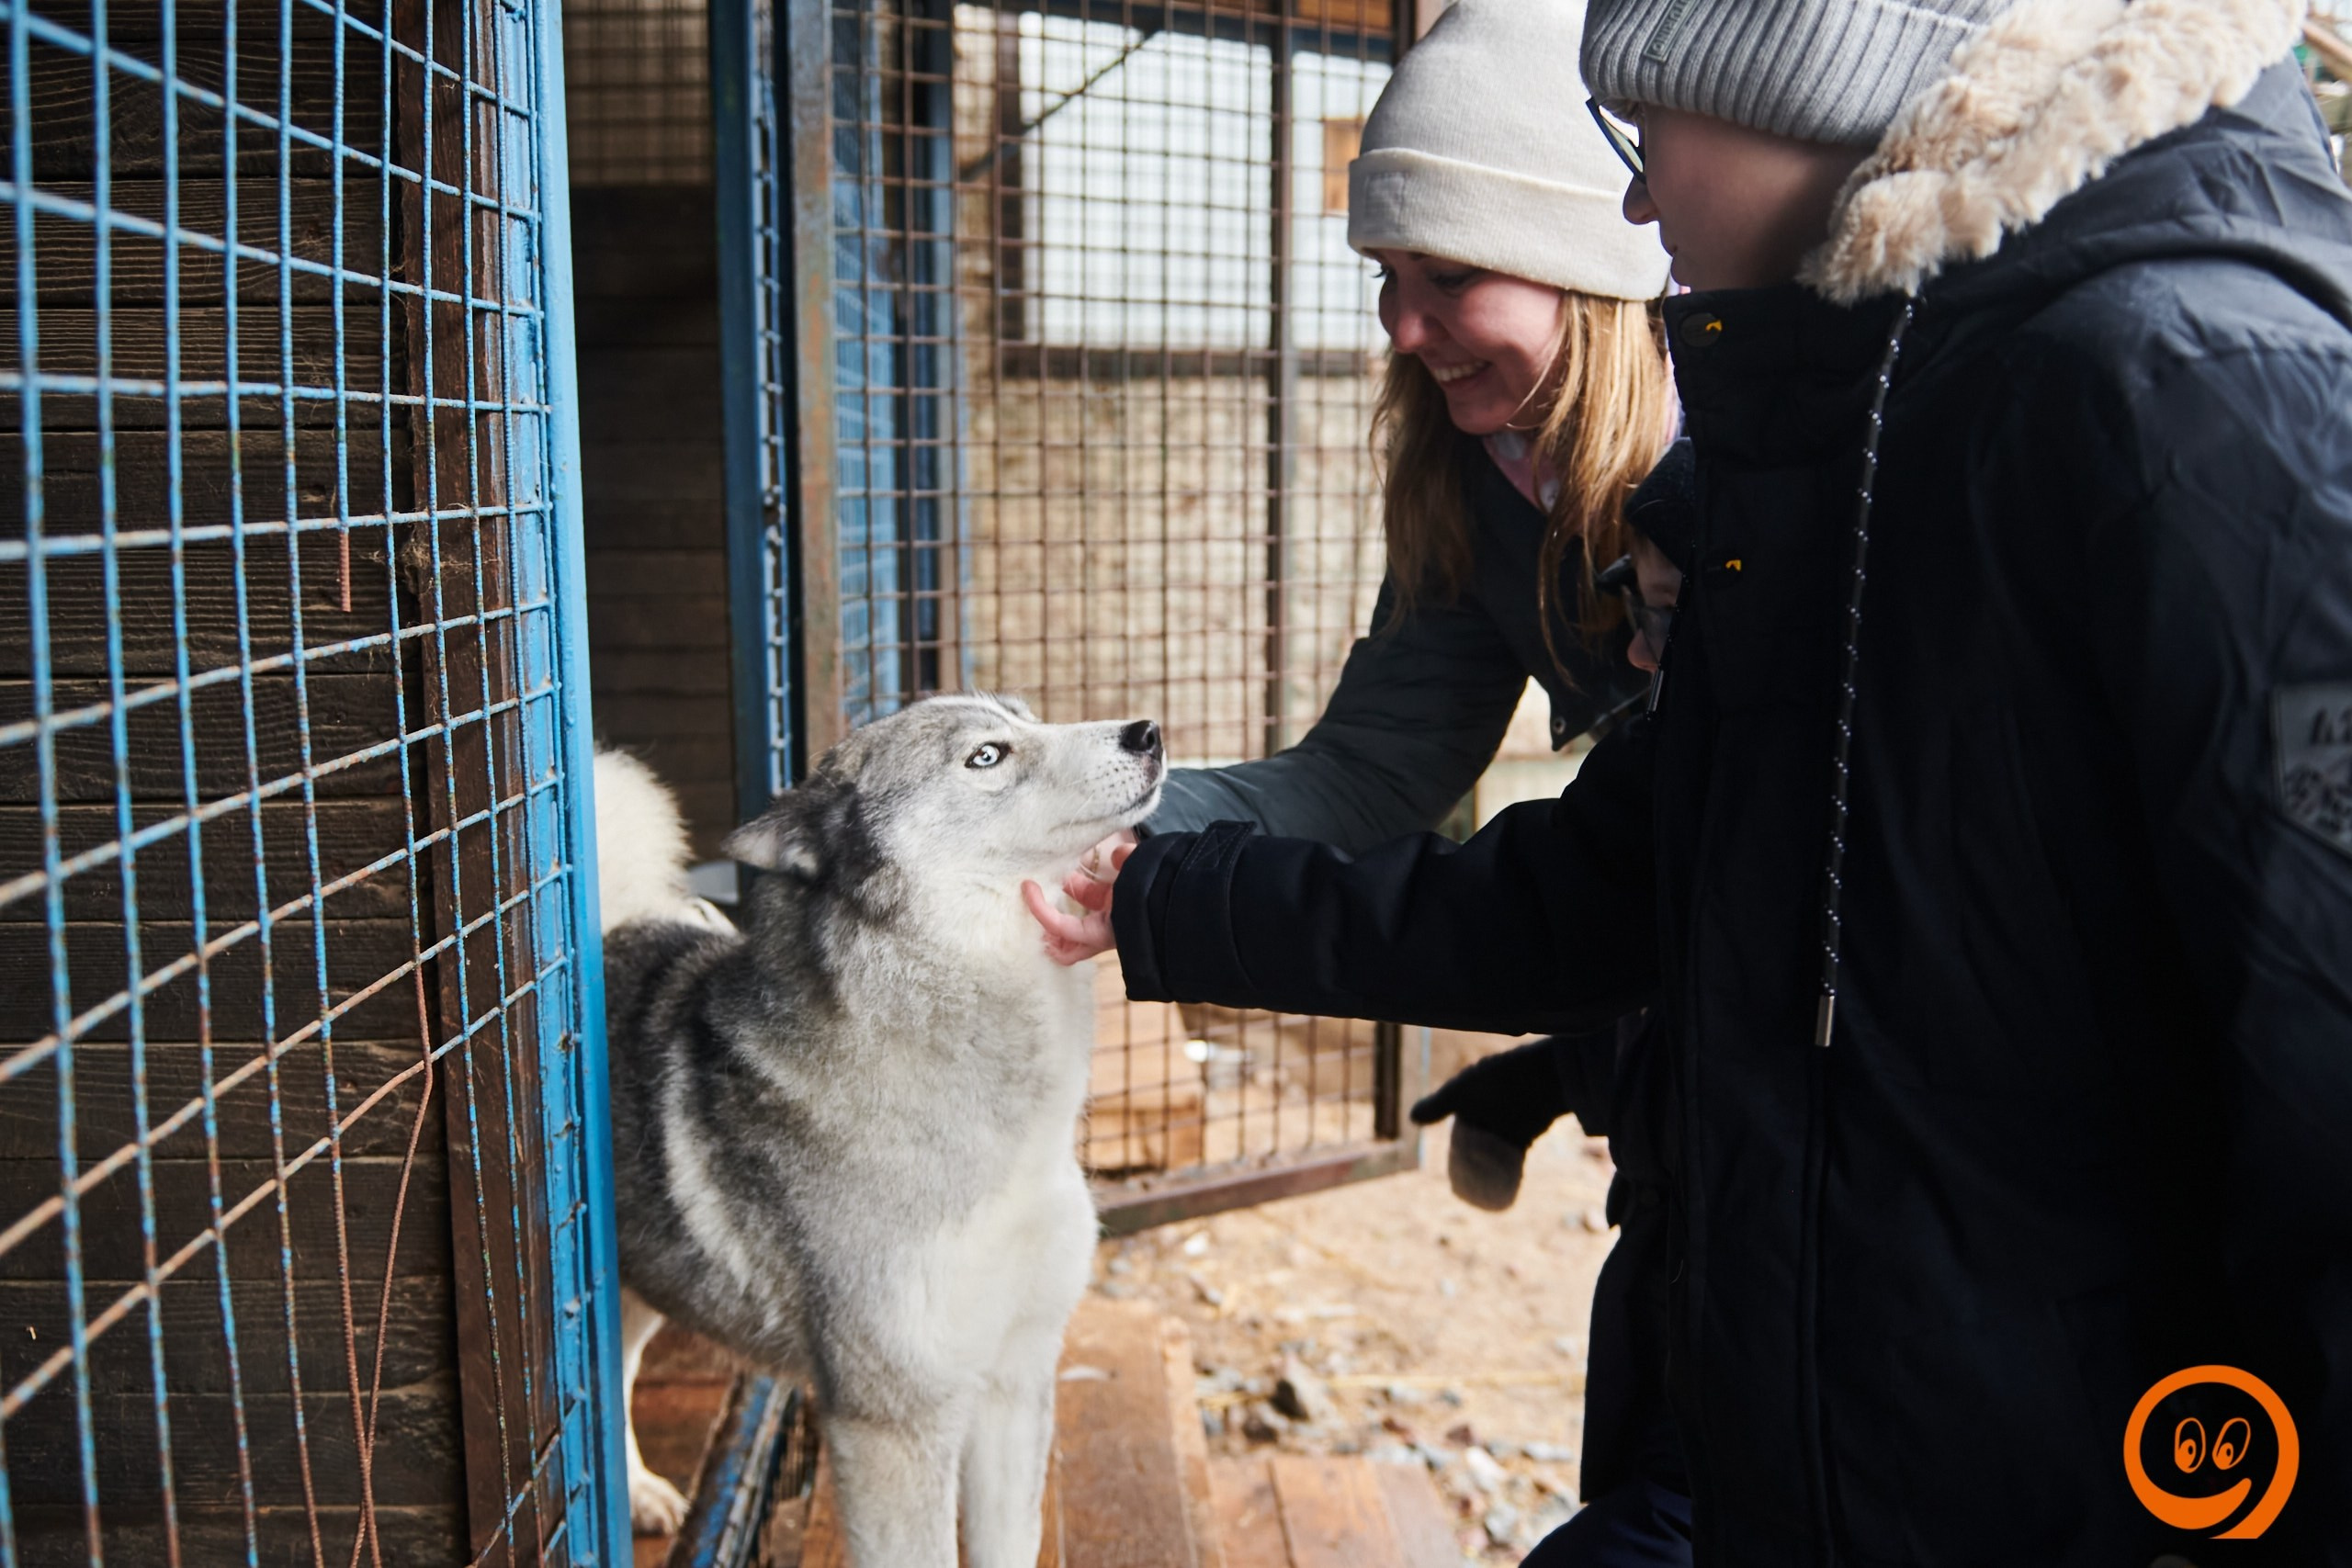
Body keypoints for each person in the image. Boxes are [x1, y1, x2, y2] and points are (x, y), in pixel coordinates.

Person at [1042, 0, 2352, 1561]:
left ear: (1788, 89)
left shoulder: (2157, 392)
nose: (1644, 198)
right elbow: (1646, 871)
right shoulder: (1840, 430)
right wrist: (1132, 879)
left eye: (1644, 136)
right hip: (1791, 1291)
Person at [1046, 2, 1696, 1559]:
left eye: (1450, 277)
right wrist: (1080, 830)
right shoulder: (1480, 480)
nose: (1403, 327)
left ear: (1598, 262)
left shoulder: (1760, 473)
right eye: (1388, 282)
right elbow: (1356, 782)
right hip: (1675, 1041)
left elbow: (1623, 880)